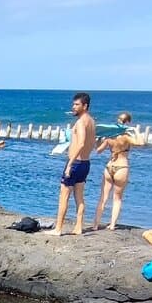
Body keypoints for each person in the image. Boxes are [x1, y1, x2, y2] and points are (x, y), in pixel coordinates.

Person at [54, 92, 96, 236]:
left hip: (76, 162)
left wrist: (70, 163)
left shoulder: (81, 122)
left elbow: (82, 143)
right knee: (79, 196)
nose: (73, 107)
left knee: (64, 196)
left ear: (85, 106)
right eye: (73, 104)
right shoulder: (92, 121)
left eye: (77, 105)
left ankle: (58, 229)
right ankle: (78, 227)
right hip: (85, 163)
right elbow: (92, 143)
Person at [92, 132, 135, 230]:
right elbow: (141, 142)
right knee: (117, 199)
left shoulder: (109, 137)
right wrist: (135, 131)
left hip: (109, 166)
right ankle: (112, 225)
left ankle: (95, 225)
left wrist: (99, 140)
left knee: (103, 197)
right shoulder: (126, 138)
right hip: (122, 167)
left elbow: (98, 150)